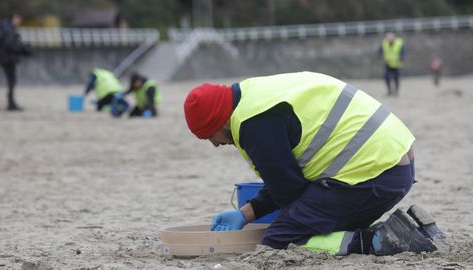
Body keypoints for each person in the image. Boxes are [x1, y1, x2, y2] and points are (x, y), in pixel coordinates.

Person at [183, 71, 438, 256]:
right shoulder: (254, 94)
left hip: (376, 175)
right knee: (313, 217)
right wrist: (245, 214)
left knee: (279, 239)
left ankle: (374, 241)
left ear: (219, 122)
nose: (215, 144)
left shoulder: (252, 125)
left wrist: (269, 218)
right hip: (395, 162)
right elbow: (288, 179)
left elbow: (290, 193)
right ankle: (413, 227)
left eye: (209, 137)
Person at [0, 13, 32, 111]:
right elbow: (9, 44)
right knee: (11, 81)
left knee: (10, 81)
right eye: (18, 19)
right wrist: (22, 49)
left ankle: (11, 103)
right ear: (13, 19)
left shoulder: (4, 27)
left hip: (4, 58)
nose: (19, 22)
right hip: (7, 59)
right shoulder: (8, 29)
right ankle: (11, 104)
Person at [378, 32, 404, 97]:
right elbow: (380, 50)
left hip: (396, 64)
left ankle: (396, 91)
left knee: (396, 78)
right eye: (388, 38)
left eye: (390, 38)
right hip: (388, 63)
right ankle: (389, 91)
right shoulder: (384, 43)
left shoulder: (399, 43)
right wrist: (379, 54)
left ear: (394, 38)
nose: (389, 39)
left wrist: (401, 58)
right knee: (386, 77)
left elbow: (402, 52)